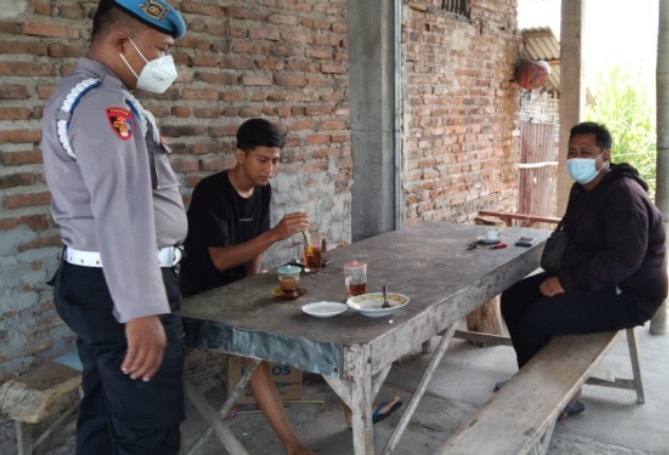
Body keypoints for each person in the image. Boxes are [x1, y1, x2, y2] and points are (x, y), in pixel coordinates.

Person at [180, 118, 402, 455]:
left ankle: (353, 410)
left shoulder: (262, 189)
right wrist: (275, 235)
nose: (270, 169)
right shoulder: (211, 193)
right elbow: (219, 260)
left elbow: (255, 245)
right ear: (240, 155)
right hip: (203, 294)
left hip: (239, 286)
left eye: (276, 161)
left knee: (320, 314)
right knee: (251, 350)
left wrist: (252, 283)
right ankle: (291, 445)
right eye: (263, 160)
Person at [40, 0, 188, 453]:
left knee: (107, 412)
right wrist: (140, 310)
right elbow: (120, 207)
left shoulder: (84, 95)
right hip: (120, 286)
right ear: (121, 42)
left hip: (102, 281)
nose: (165, 62)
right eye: (160, 49)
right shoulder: (103, 104)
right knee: (147, 427)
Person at [500, 122, 668, 419]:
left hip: (630, 293)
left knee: (539, 319)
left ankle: (560, 397)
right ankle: (531, 382)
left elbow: (623, 259)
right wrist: (564, 277)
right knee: (514, 298)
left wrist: (568, 282)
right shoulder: (583, 188)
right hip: (594, 280)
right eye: (572, 151)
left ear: (605, 155)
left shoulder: (624, 196)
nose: (577, 158)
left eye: (586, 152)